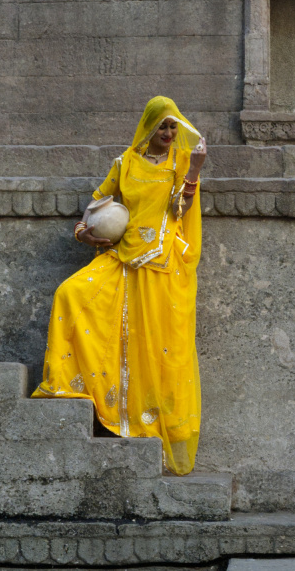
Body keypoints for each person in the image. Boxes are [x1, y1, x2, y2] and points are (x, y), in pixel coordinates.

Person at [32, 96, 208, 476]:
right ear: (148, 128)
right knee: (70, 293)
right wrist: (86, 234)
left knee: (153, 347)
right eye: (162, 126)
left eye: (173, 127)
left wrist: (194, 170)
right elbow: (96, 205)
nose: (168, 133)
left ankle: (144, 424)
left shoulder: (181, 163)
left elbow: (181, 210)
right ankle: (83, 395)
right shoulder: (124, 164)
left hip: (160, 265)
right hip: (120, 258)